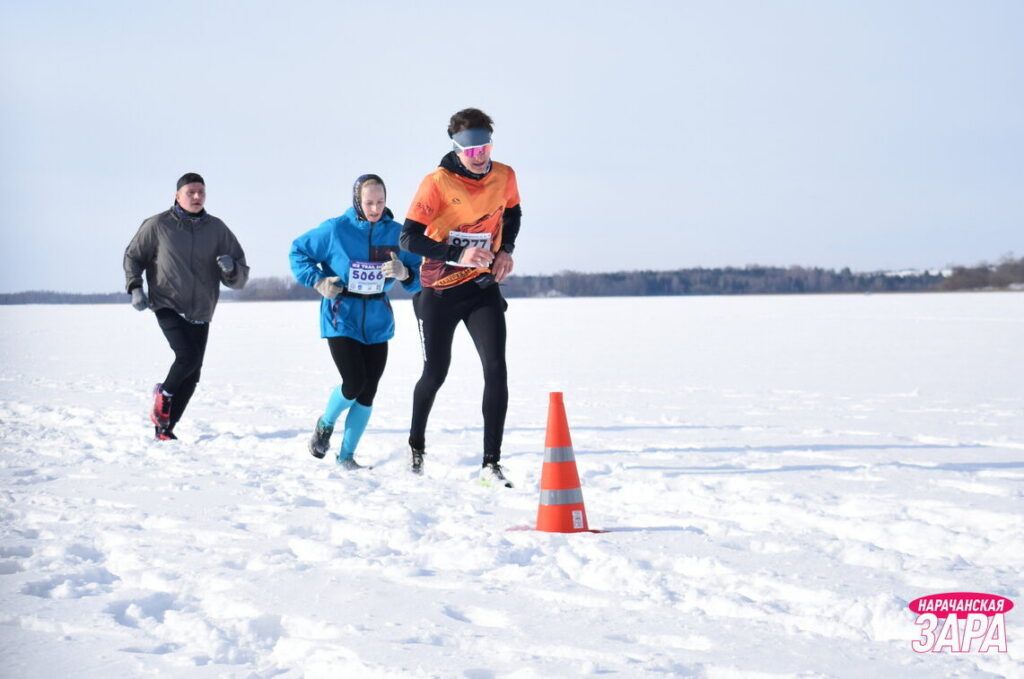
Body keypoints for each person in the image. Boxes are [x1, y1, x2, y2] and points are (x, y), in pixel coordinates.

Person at [400, 107, 522, 487]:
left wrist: (506, 250)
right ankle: (416, 445)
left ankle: (491, 464)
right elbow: (409, 239)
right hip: (439, 290)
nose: (479, 156)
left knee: (496, 368)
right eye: (470, 150)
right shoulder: (437, 183)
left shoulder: (505, 176)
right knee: (435, 373)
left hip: (481, 287)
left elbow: (514, 214)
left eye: (485, 147)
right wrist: (458, 253)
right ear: (456, 148)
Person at [289, 174, 422, 470]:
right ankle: (325, 424)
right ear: (357, 201)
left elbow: (418, 278)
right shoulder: (336, 229)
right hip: (341, 315)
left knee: (368, 391)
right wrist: (319, 281)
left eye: (380, 202)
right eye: (369, 202)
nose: (375, 208)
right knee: (354, 382)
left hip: (377, 320)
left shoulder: (397, 234)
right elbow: (298, 251)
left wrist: (405, 273)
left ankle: (346, 456)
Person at [123, 172, 249, 440]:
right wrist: (135, 287)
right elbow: (133, 256)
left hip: (202, 308)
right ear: (177, 196)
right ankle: (164, 393)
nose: (196, 196)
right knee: (188, 357)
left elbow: (240, 276)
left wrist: (232, 269)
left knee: (192, 376)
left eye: (201, 192)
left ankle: (164, 430)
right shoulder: (158, 225)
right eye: (190, 192)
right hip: (167, 303)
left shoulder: (217, 229)